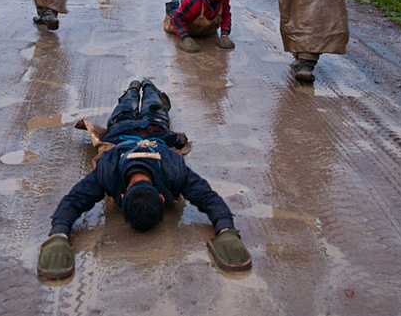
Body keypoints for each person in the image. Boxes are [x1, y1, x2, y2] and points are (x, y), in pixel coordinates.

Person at [37, 79, 252, 279]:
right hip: (135, 130)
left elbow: (208, 198)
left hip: (149, 129)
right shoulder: (111, 169)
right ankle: (140, 87)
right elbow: (73, 201)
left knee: (146, 105)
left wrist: (226, 229)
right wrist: (58, 234)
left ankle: (140, 87)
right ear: (160, 196)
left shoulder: (169, 168)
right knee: (140, 105)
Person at [164, 0, 235, 53]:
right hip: (186, 19)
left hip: (205, 28)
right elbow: (176, 18)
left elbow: (226, 14)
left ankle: (182, 4)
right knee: (174, 13)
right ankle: (174, 4)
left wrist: (224, 34)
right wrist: (184, 37)